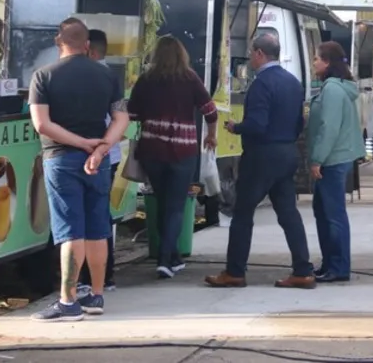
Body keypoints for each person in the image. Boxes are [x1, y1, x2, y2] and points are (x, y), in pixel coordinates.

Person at [28, 18, 129, 322]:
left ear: (58, 42)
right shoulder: (107, 75)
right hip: (97, 162)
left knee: (70, 229)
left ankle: (68, 301)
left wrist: (81, 143)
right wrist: (99, 148)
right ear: (87, 45)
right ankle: (96, 296)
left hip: (60, 159)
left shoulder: (42, 76)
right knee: (98, 228)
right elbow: (121, 119)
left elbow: (42, 124)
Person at [205, 34, 315, 289]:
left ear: (259, 54)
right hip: (287, 153)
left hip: (262, 155)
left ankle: (234, 271)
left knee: (242, 214)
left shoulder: (261, 84)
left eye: (252, 52)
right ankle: (303, 269)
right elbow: (299, 122)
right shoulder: (292, 82)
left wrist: (236, 127)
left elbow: (257, 124)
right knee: (288, 214)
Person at [128, 36, 219, 279]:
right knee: (176, 206)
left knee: (161, 201)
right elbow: (210, 111)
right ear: (181, 54)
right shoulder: (189, 78)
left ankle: (172, 256)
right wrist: (212, 135)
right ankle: (165, 259)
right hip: (183, 151)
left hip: (152, 150)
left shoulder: (147, 79)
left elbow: (133, 112)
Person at [307, 42, 367, 283]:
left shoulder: (332, 90)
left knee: (332, 214)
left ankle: (338, 266)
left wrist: (317, 159)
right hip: (336, 156)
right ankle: (330, 263)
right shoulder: (337, 87)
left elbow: (328, 127)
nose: (313, 63)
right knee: (323, 211)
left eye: (316, 59)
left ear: (327, 62)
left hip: (332, 158)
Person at [77, 29, 122, 292]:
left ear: (91, 51)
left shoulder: (94, 78)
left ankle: (94, 278)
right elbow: (121, 115)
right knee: (100, 215)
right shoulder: (111, 77)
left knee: (92, 216)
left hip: (97, 154)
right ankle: (105, 276)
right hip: (108, 154)